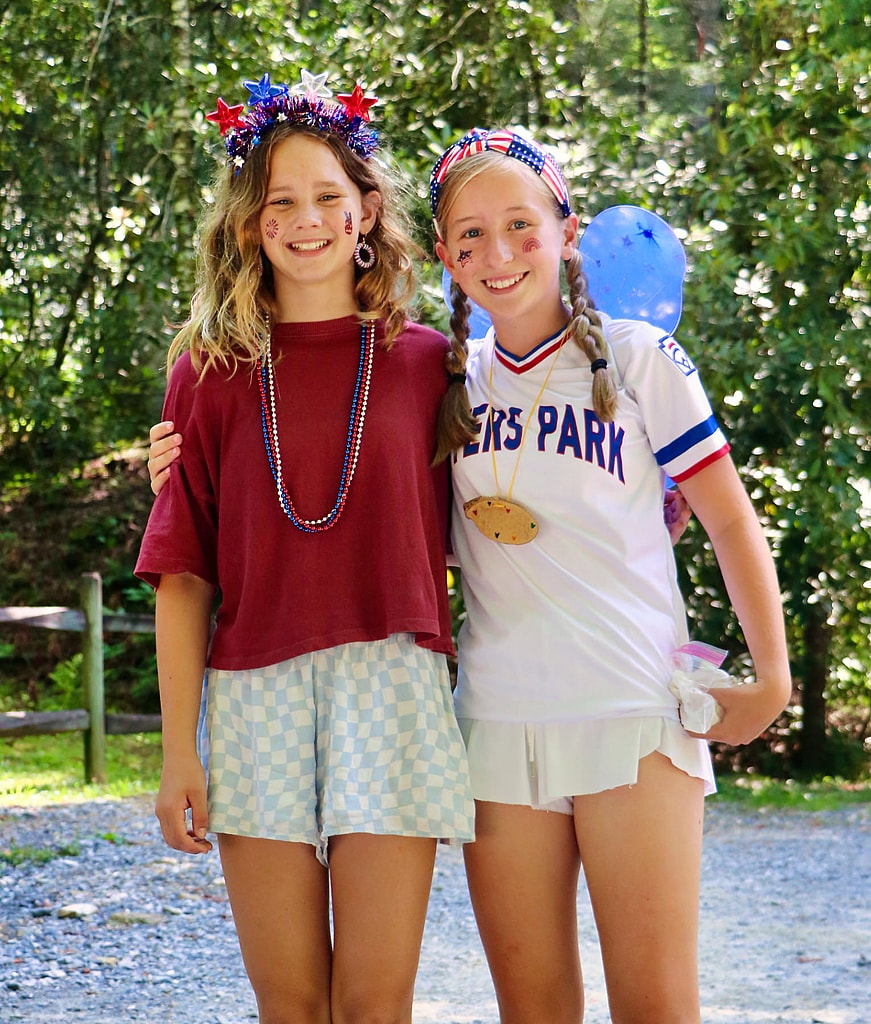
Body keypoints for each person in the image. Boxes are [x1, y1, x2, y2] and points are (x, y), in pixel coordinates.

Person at [425, 127, 792, 1024]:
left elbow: (729, 518)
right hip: (497, 726)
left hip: (631, 715)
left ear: (566, 231)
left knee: (655, 1006)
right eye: (468, 234)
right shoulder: (442, 381)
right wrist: (186, 462)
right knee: (533, 1009)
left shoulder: (637, 359)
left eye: (519, 224)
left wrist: (772, 676)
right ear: (443, 254)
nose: (496, 252)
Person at [134, 68, 475, 1024]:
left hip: (393, 683)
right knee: (290, 1002)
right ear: (250, 224)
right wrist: (177, 753)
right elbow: (183, 573)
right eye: (280, 200)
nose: (307, 218)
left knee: (373, 1002)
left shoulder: (426, 361)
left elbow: (501, 512)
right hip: (255, 697)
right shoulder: (206, 374)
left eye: (329, 196)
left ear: (366, 211)